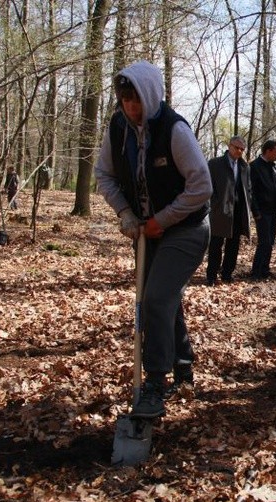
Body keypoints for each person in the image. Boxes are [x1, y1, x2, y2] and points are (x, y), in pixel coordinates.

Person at [94, 60, 212, 419]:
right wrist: (125, 214)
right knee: (163, 300)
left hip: (187, 229)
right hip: (147, 231)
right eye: (125, 99)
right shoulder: (117, 129)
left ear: (151, 95)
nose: (132, 107)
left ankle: (154, 384)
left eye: (137, 100)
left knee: (155, 299)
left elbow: (202, 185)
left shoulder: (174, 130)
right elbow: (104, 174)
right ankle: (182, 365)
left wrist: (163, 219)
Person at [206, 136, 253, 285]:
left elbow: (248, 189)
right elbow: (207, 186)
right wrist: (213, 203)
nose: (239, 151)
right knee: (215, 245)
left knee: (233, 246)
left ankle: (227, 274)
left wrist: (249, 205)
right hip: (219, 210)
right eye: (236, 147)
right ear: (229, 146)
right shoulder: (215, 164)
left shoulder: (245, 167)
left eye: (242, 149)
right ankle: (211, 276)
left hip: (238, 212)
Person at [249, 139, 276, 280]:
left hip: (274, 210)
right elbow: (250, 191)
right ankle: (255, 272)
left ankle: (265, 269)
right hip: (262, 212)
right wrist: (256, 212)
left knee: (270, 242)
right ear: (268, 151)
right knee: (264, 241)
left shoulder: (274, 167)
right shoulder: (254, 166)